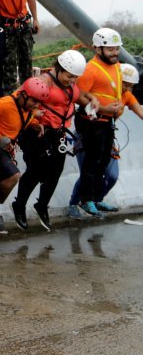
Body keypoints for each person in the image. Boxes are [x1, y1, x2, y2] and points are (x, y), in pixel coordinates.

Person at [12, 50, 85, 230]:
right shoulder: (43, 82)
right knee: (36, 171)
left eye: (75, 77)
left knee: (55, 172)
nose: (72, 81)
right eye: (69, 76)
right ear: (58, 69)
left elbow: (78, 96)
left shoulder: (69, 84)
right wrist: (34, 114)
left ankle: (42, 205)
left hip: (58, 133)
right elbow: (17, 99)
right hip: (37, 131)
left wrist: (92, 101)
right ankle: (19, 205)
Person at [0, 77, 49, 233]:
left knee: (2, 182)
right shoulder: (5, 103)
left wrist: (35, 125)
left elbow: (20, 119)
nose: (36, 105)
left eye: (39, 103)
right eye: (34, 101)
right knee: (13, 176)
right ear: (24, 95)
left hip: (4, 146)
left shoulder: (27, 108)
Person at [68, 62, 143, 217]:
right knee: (88, 172)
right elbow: (83, 103)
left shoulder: (126, 96)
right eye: (125, 85)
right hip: (88, 134)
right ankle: (74, 203)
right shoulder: (101, 92)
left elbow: (140, 110)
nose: (128, 89)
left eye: (131, 86)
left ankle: (97, 199)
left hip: (106, 136)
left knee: (111, 174)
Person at [71, 28, 127, 217]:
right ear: (98, 49)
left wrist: (117, 107)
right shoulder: (90, 70)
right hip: (91, 122)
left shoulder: (117, 66)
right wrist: (104, 109)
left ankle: (96, 198)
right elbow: (79, 97)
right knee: (91, 162)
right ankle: (85, 200)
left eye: (116, 48)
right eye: (110, 49)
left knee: (103, 162)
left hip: (106, 122)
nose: (115, 53)